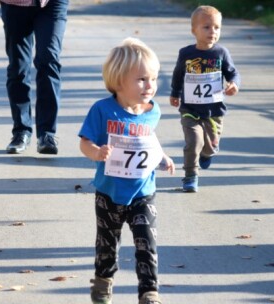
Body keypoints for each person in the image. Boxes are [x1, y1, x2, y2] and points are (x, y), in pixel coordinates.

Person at [79, 37, 175, 304]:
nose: (150, 86)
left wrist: (161, 156)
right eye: (142, 79)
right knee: (107, 245)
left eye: (153, 79)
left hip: (143, 190)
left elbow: (147, 139)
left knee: (147, 243)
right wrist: (96, 153)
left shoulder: (152, 111)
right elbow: (84, 142)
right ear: (119, 82)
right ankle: (102, 282)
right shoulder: (102, 110)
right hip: (108, 192)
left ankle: (149, 292)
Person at [0, 0, 69, 155]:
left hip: (52, 4)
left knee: (49, 60)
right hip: (15, 4)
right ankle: (21, 132)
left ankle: (47, 134)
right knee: (18, 67)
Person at [169, 5, 241, 192]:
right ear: (194, 30)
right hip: (190, 109)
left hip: (214, 111)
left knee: (209, 146)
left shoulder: (221, 53)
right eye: (206, 27)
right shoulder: (186, 53)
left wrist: (233, 84)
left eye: (217, 27)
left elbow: (233, 73)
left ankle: (207, 154)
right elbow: (178, 75)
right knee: (193, 142)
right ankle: (190, 176)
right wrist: (175, 93)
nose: (212, 32)